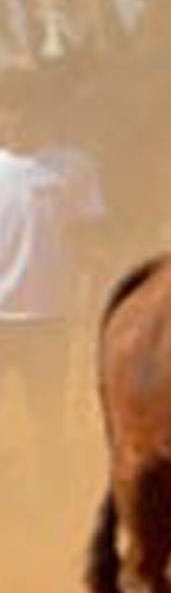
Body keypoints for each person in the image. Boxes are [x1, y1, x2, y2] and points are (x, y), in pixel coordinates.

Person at [0, 72, 105, 496]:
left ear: (45, 111)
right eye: (9, 107)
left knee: (49, 416)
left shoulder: (74, 166)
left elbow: (89, 235)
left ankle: (53, 498)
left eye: (27, 106)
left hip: (49, 314)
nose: (17, 116)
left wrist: (92, 287)